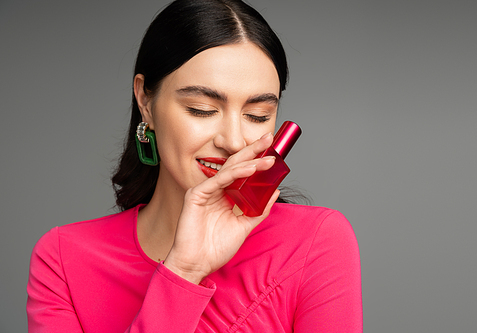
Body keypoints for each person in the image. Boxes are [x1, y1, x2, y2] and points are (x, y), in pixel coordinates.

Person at [26, 0, 363, 332]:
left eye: (257, 115)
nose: (233, 141)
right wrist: (184, 271)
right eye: (202, 109)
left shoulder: (316, 241)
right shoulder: (63, 260)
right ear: (145, 100)